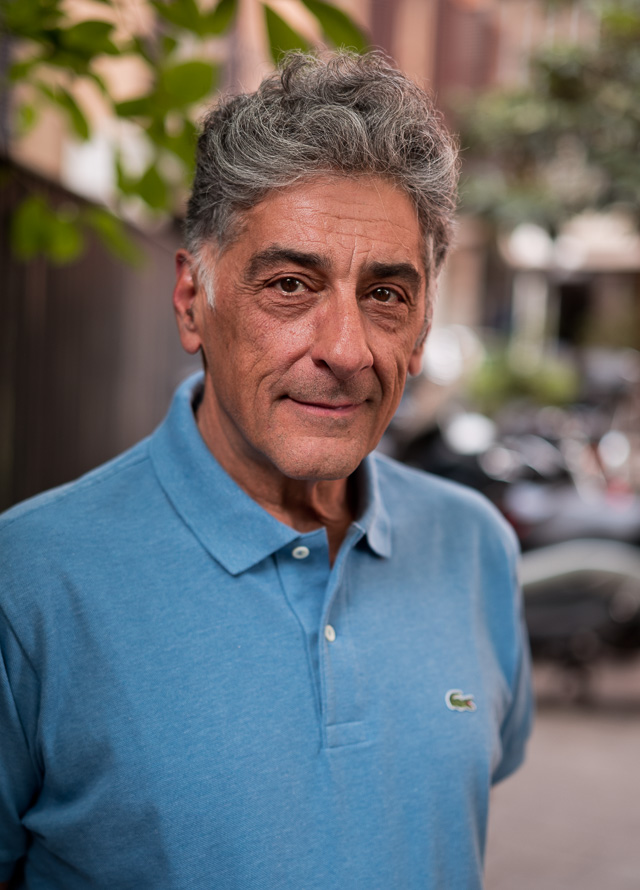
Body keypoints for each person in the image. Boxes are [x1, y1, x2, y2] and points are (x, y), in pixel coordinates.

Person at [0, 51, 532, 889]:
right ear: (191, 302)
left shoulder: (477, 551)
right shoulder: (26, 582)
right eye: (291, 284)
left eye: (387, 295)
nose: (346, 350)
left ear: (423, 328)